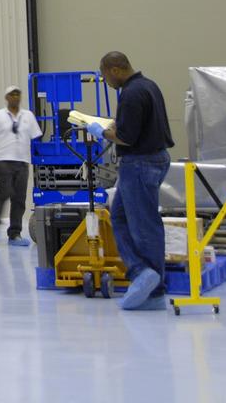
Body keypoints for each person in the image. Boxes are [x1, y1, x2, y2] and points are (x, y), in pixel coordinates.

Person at [86, 51, 175, 311]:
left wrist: (102, 132)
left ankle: (154, 288)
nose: (107, 82)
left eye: (105, 76)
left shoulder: (131, 94)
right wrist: (116, 126)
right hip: (152, 159)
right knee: (120, 217)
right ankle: (141, 272)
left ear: (114, 69)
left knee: (144, 226)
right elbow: (140, 126)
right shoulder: (148, 86)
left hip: (140, 163)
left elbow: (127, 138)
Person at [0, 85, 41, 246]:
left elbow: (36, 138)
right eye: (12, 94)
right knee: (5, 192)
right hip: (2, 160)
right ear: (6, 97)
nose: (15, 97)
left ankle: (14, 234)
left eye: (18, 94)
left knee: (19, 198)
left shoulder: (28, 116)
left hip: (22, 161)